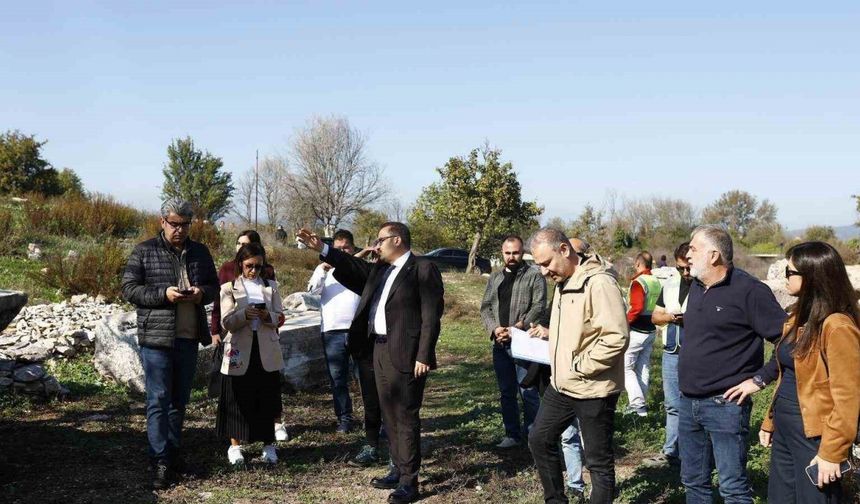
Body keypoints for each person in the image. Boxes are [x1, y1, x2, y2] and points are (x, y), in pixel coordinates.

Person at [297, 222, 444, 504]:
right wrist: (323, 249)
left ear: (397, 240)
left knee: (405, 417)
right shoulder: (381, 269)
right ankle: (397, 469)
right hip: (377, 350)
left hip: (407, 353)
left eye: (380, 240)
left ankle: (409, 483)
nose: (376, 246)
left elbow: (431, 315)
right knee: (388, 414)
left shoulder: (422, 268)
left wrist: (424, 355)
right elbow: (352, 267)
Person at [724, 242, 860, 503]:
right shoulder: (799, 318)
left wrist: (833, 451)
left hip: (815, 434)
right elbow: (790, 375)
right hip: (787, 430)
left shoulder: (837, 326)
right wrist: (771, 420)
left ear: (811, 277)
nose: (784, 278)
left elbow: (848, 396)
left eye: (789, 272)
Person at [678, 225, 786, 503]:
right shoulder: (697, 287)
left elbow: (790, 342)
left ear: (713, 255)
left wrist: (759, 380)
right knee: (693, 482)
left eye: (693, 248)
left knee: (732, 488)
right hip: (688, 403)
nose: (687, 254)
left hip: (725, 405)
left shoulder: (750, 291)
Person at [526, 227, 629, 504]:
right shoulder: (563, 281)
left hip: (594, 387)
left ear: (564, 250)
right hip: (562, 385)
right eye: (538, 265)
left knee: (598, 462)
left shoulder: (599, 283)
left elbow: (616, 337)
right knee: (539, 438)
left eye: (546, 263)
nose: (544, 272)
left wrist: (580, 365)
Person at [121, 198, 219, 489]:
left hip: (189, 336)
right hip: (157, 338)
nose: (179, 229)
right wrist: (165, 294)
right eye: (174, 223)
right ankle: (159, 459)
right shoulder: (145, 251)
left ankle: (173, 454)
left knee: (179, 400)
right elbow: (129, 289)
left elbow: (214, 287)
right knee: (158, 399)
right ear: (162, 221)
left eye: (185, 224)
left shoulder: (200, 252)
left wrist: (201, 293)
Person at [307, 230, 387, 469]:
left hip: (360, 331)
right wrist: (323, 269)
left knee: (367, 378)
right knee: (337, 378)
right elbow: (311, 291)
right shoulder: (323, 269)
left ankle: (374, 421)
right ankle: (344, 418)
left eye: (347, 249)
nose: (342, 252)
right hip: (332, 331)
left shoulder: (359, 268)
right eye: (338, 248)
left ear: (353, 249)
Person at [209, 230, 287, 441]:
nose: (254, 270)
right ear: (240, 264)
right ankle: (235, 445)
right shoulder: (229, 288)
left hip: (265, 349)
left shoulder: (271, 287)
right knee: (236, 397)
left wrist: (266, 315)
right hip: (238, 348)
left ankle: (268, 444)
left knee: (266, 397)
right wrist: (244, 315)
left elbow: (280, 317)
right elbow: (227, 321)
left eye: (258, 266)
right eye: (249, 266)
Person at [479, 235, 545, 449]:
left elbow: (539, 306)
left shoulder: (534, 276)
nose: (512, 257)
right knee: (506, 391)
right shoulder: (495, 278)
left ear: (522, 252)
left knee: (528, 391)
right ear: (502, 253)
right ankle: (512, 434)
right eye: (507, 253)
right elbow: (486, 307)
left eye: (515, 252)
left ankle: (533, 437)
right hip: (500, 343)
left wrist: (516, 328)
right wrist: (495, 329)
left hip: (524, 343)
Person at [642, 242, 691, 468]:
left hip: (696, 353)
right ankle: (671, 451)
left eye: (687, 267)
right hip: (672, 351)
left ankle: (695, 452)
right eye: (680, 268)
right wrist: (672, 318)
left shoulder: (704, 286)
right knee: (672, 404)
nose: (685, 272)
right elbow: (655, 317)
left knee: (695, 405)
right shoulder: (670, 284)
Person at [623, 251, 662, 417]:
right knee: (643, 367)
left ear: (638, 263)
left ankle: (637, 405)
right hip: (651, 330)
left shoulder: (639, 282)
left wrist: (623, 323)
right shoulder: (655, 281)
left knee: (625, 368)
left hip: (637, 330)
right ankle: (642, 408)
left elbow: (636, 308)